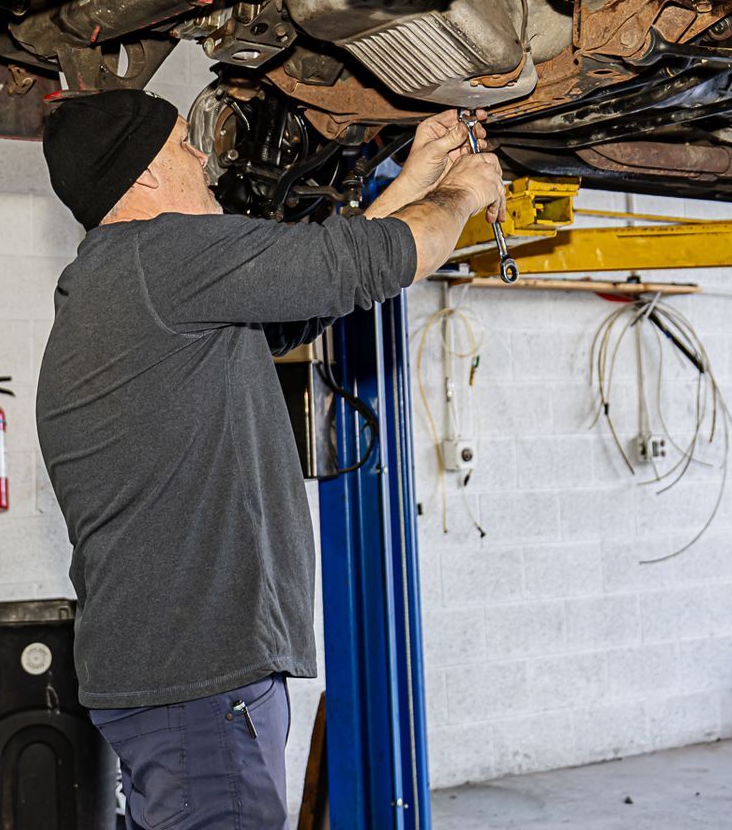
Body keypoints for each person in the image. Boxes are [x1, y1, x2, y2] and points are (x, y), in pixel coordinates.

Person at [36, 89, 502, 830]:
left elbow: (315, 281)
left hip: (171, 685)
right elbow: (380, 258)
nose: (203, 157)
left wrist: (415, 180)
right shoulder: (162, 257)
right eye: (185, 143)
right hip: (199, 687)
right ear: (147, 175)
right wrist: (464, 192)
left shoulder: (129, 283)